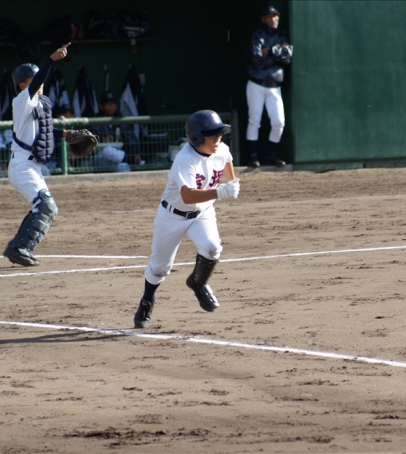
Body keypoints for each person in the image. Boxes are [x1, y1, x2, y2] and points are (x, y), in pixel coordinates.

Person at [133, 110, 240, 329]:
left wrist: (232, 182)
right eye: (213, 135)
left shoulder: (221, 149)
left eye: (220, 135)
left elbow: (227, 163)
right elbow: (188, 196)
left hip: (202, 213)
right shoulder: (185, 159)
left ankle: (198, 282)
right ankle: (147, 300)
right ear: (197, 137)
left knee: (212, 248)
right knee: (160, 269)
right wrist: (220, 192)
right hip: (171, 216)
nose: (218, 140)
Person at [3, 43, 71, 266]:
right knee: (45, 205)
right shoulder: (22, 100)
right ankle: (18, 248)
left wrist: (65, 133)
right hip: (22, 166)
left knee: (48, 209)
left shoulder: (37, 104)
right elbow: (38, 80)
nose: (39, 84)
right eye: (33, 80)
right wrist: (51, 60)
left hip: (32, 167)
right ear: (22, 85)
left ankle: (20, 248)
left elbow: (45, 129)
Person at [246, 5, 293, 168]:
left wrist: (270, 52)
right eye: (269, 16)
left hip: (274, 85)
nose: (273, 19)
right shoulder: (258, 36)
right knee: (254, 120)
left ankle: (271, 155)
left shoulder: (282, 36)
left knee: (279, 122)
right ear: (263, 19)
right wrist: (277, 55)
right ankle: (252, 157)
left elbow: (287, 57)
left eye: (275, 16)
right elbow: (256, 59)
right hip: (256, 83)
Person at [90, 91, 142, 171]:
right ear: (101, 106)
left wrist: (135, 153)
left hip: (116, 160)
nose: (111, 106)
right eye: (108, 103)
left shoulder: (121, 120)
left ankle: (128, 163)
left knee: (124, 166)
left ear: (116, 105)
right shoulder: (94, 121)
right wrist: (101, 140)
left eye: (113, 103)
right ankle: (131, 160)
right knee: (108, 151)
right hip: (99, 159)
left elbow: (131, 138)